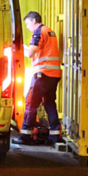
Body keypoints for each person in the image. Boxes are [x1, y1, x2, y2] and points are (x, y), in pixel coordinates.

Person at [14, 11, 62, 146]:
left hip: (42, 74)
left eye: (27, 24)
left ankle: (25, 136)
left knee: (31, 103)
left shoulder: (38, 32)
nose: (27, 27)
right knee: (49, 103)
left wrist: (19, 48)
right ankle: (54, 136)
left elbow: (30, 53)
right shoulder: (50, 31)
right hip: (54, 74)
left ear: (34, 21)